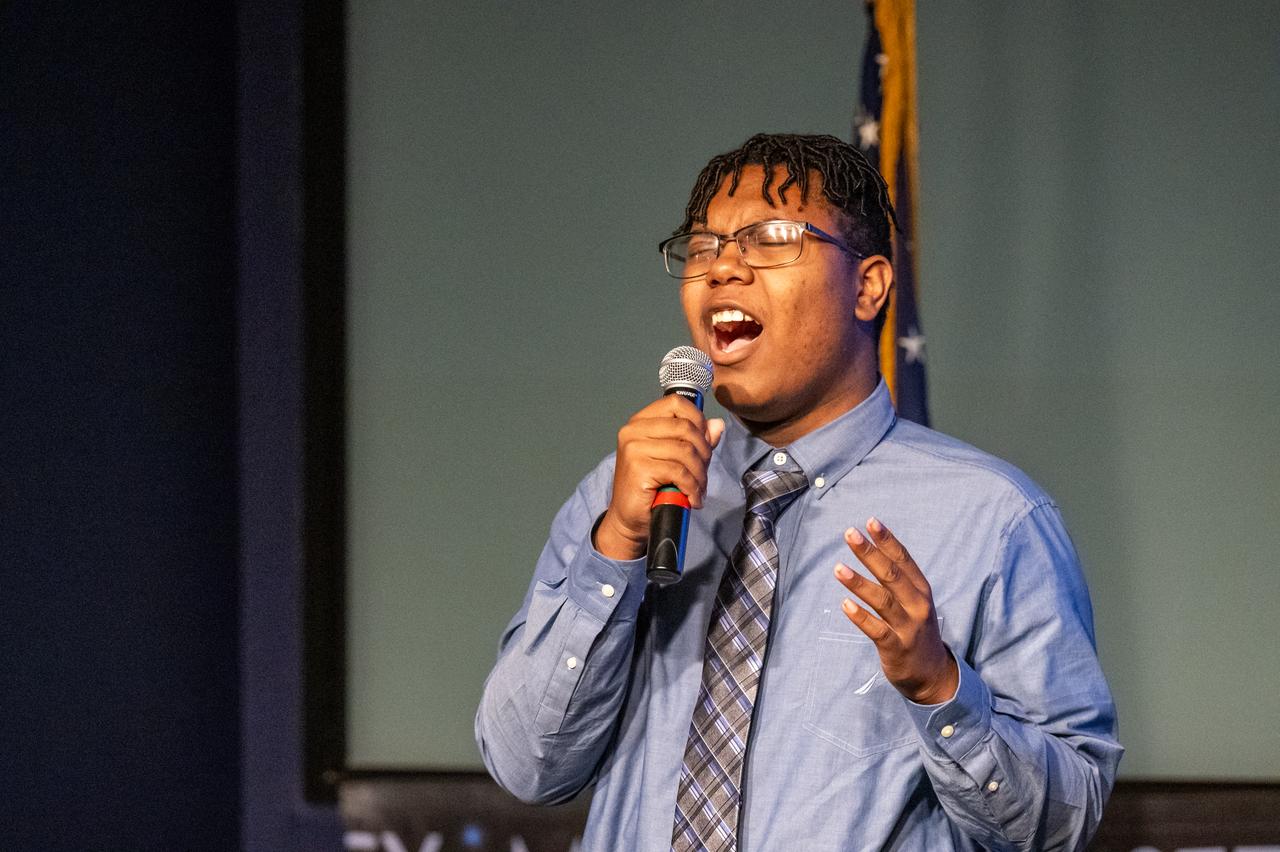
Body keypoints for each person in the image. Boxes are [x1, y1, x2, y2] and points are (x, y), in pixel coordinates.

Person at [475, 133, 1121, 851]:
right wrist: (616, 550)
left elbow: (1061, 824)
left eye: (770, 239)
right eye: (702, 247)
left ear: (869, 286)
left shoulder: (994, 518)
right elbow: (526, 766)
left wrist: (941, 690)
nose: (722, 269)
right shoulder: (626, 494)